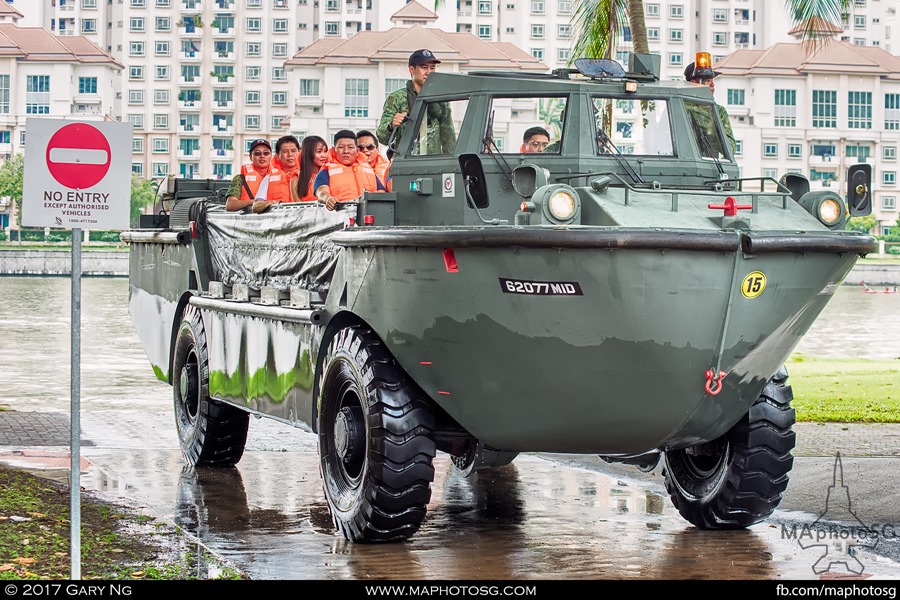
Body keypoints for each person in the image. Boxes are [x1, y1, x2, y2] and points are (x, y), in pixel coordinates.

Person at [376, 49, 456, 156]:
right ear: (411, 69)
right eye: (424, 67)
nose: (429, 72)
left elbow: (449, 138)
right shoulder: (397, 98)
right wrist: (392, 125)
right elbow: (382, 137)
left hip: (433, 164)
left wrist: (452, 164)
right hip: (406, 164)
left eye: (432, 68)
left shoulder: (440, 100)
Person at [313, 130, 382, 210]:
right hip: (342, 216)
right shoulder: (326, 171)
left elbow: (382, 192)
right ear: (334, 150)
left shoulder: (369, 170)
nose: (346, 151)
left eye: (350, 147)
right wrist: (328, 199)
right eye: (341, 147)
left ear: (357, 151)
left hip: (371, 216)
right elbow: (321, 191)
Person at [683, 62, 736, 156]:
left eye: (712, 80)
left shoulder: (718, 111)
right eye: (707, 81)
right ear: (693, 83)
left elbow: (730, 150)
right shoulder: (679, 106)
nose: (712, 84)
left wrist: (713, 130)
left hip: (709, 165)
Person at [225, 139, 289, 212]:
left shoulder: (283, 176)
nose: (262, 156)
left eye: (266, 153)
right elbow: (230, 205)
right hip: (250, 218)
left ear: (271, 156)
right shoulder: (240, 178)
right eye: (257, 153)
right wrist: (256, 203)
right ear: (250, 157)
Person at [290, 135, 328, 203]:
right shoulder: (296, 178)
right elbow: (298, 205)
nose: (324, 155)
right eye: (319, 152)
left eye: (325, 151)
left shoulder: (329, 173)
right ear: (308, 153)